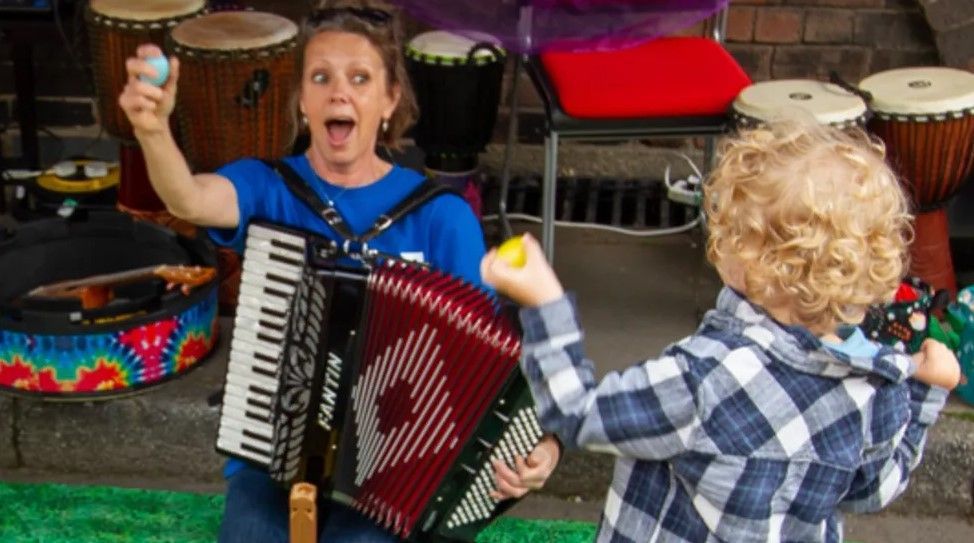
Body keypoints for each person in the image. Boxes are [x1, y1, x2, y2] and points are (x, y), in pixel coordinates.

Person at [117, 1, 559, 541]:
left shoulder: (441, 218)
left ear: (390, 100)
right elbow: (189, 198)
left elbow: (489, 367)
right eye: (320, 77)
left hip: (394, 472)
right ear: (302, 101)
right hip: (270, 454)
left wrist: (545, 445)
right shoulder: (269, 186)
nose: (338, 92)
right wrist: (153, 130)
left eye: (360, 78)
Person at [481, 118, 960, 542]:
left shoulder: (703, 380)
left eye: (728, 228)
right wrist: (926, 394)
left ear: (752, 261)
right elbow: (874, 489)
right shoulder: (874, 388)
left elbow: (576, 412)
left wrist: (545, 302)